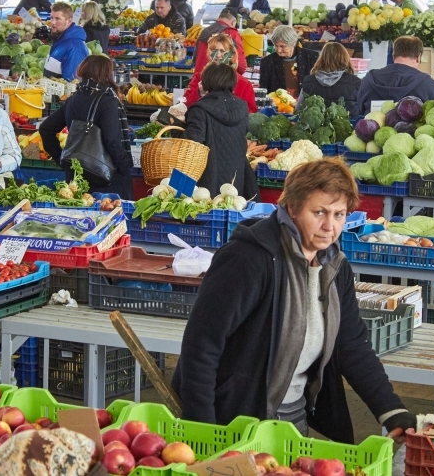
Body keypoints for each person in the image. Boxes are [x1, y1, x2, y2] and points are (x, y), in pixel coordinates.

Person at [172, 157, 414, 442]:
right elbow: (201, 346)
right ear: (293, 208)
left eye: (339, 214)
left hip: (292, 421)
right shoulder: (249, 259)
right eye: (319, 212)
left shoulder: (335, 267)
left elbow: (351, 344)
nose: (330, 226)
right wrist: (202, 430)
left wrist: (390, 409)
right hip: (235, 420)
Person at [40, 55, 133, 199]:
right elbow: (112, 142)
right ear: (107, 74)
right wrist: (125, 166)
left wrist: (63, 159)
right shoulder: (107, 100)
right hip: (106, 179)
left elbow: (45, 129)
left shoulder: (74, 98)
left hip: (76, 176)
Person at [182, 63, 258, 200]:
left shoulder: (200, 109)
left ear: (205, 82)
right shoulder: (242, 107)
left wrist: (175, 131)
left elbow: (192, 142)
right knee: (230, 207)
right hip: (236, 178)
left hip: (206, 180)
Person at [356, 36, 434, 115]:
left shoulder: (368, 80)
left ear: (393, 56)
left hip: (372, 131)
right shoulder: (430, 86)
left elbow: (360, 109)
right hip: (414, 132)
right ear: (418, 58)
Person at [185, 34, 256, 113]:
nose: (218, 55)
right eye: (213, 50)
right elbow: (185, 105)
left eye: (222, 51)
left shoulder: (244, 84)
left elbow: (251, 112)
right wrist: (199, 93)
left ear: (231, 54)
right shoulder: (199, 78)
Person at [296, 42, 361, 113]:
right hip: (350, 123)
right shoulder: (356, 83)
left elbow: (298, 109)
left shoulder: (308, 81)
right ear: (345, 58)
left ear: (321, 58)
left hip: (317, 124)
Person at [259, 25, 319, 98]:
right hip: (279, 106)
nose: (278, 50)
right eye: (276, 45)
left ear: (293, 43)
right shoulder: (267, 62)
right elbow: (264, 90)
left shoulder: (312, 57)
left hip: (306, 105)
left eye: (282, 46)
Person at [42, 2, 90, 80]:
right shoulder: (59, 40)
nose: (53, 22)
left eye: (57, 19)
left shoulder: (74, 47)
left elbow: (73, 84)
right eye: (51, 18)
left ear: (69, 21)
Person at [193, 8, 247, 78]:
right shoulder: (231, 33)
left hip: (199, 78)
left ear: (219, 18)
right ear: (233, 22)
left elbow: (195, 57)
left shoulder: (205, 31)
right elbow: (241, 65)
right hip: (218, 80)